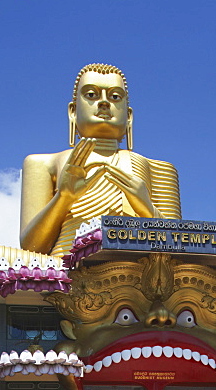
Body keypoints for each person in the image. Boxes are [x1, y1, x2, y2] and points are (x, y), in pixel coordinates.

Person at [19, 64, 181, 257]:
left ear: (129, 116)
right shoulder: (44, 164)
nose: (104, 103)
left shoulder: (158, 168)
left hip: (140, 271)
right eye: (91, 95)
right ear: (73, 111)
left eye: (115, 97)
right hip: (65, 270)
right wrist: (63, 198)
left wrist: (145, 206)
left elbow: (182, 246)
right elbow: (31, 248)